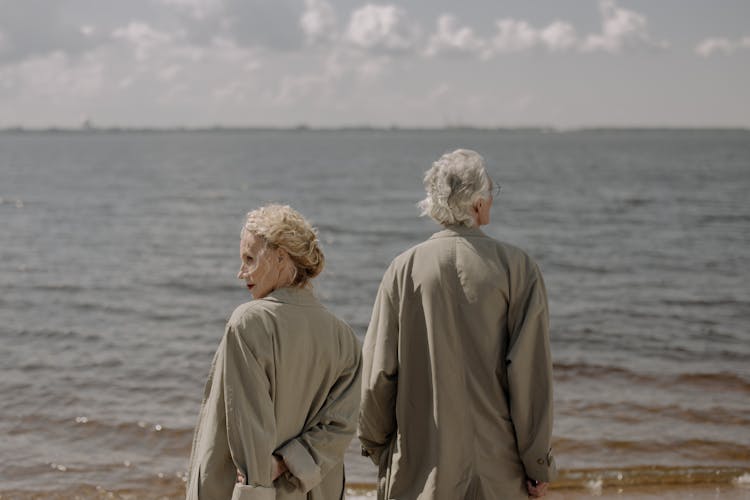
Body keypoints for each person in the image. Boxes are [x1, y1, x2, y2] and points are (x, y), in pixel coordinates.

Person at [358, 149, 556, 500]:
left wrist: (377, 446)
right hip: (498, 469)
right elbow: (529, 377)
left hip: (419, 467)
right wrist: (537, 464)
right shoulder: (518, 268)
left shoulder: (402, 270)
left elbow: (378, 376)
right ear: (479, 202)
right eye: (492, 191)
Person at [186, 204, 362, 500]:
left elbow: (249, 422)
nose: (241, 272)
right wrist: (287, 462)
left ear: (281, 257)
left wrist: (257, 483)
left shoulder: (249, 322)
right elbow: (341, 426)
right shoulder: (343, 335)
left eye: (249, 259)